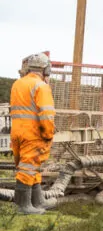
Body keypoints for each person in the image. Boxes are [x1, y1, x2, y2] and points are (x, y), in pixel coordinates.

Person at [9, 53, 57, 215]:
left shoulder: (18, 84)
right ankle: (23, 206)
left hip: (17, 132)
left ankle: (38, 201)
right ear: (46, 69)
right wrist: (49, 134)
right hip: (33, 134)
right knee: (28, 168)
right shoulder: (41, 86)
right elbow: (46, 114)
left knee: (30, 167)